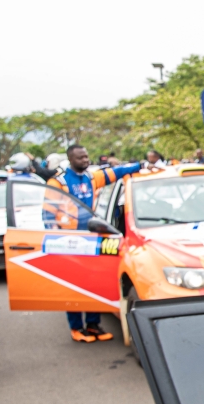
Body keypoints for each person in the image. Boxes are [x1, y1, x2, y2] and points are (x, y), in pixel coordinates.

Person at [47, 145, 142, 343]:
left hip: (91, 239)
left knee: (92, 283)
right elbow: (47, 215)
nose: (85, 160)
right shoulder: (59, 182)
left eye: (86, 156)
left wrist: (136, 166)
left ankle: (93, 325)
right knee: (73, 286)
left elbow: (115, 173)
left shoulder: (91, 178)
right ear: (70, 159)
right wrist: (54, 241)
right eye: (81, 158)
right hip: (68, 241)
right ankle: (76, 328)